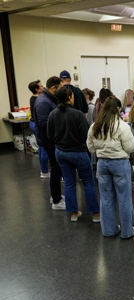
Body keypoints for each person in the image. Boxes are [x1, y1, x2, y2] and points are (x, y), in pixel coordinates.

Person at [47, 86, 100, 222]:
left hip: (60, 153)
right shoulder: (77, 114)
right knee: (88, 182)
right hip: (78, 153)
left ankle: (74, 213)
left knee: (69, 183)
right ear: (70, 97)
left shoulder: (53, 114)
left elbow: (49, 135)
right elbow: (86, 135)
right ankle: (95, 214)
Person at [87, 96, 134, 238]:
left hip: (102, 164)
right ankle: (127, 231)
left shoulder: (95, 126)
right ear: (118, 109)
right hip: (120, 163)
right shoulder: (122, 126)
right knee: (124, 198)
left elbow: (90, 148)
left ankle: (109, 230)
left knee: (106, 198)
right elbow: (131, 147)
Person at [33, 76, 65, 210]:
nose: (63, 91)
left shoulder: (49, 99)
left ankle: (56, 195)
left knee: (56, 168)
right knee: (56, 168)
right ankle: (56, 200)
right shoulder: (43, 102)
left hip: (52, 139)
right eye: (61, 88)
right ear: (53, 88)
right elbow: (44, 124)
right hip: (50, 141)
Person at [28, 79, 50, 178]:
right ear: (36, 89)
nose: (43, 87)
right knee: (44, 147)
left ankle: (44, 170)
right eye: (41, 86)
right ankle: (45, 171)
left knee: (41, 147)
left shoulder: (33, 98)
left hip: (33, 123)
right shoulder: (39, 99)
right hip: (36, 124)